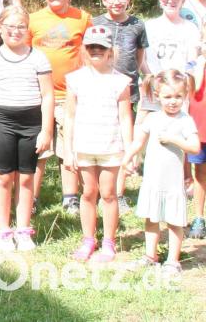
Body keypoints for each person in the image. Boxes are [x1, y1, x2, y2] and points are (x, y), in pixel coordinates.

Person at [0, 5, 53, 252]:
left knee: (26, 177)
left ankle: (23, 230)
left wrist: (46, 131)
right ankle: (3, 230)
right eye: (11, 26)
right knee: (2, 177)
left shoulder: (38, 57)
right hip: (1, 120)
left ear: (28, 29)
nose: (16, 31)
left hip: (31, 122)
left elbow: (48, 95)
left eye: (21, 26)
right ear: (0, 28)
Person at [63, 26, 133, 263]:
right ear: (85, 49)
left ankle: (109, 241)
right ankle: (88, 239)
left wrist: (129, 151)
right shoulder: (75, 79)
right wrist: (69, 150)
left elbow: (125, 118)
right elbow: (69, 117)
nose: (96, 50)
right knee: (88, 192)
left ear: (109, 51)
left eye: (101, 47)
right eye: (91, 46)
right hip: (83, 146)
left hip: (111, 147)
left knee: (109, 194)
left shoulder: (121, 81)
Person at [124, 70, 202, 276]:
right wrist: (127, 158)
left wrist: (174, 139)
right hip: (153, 180)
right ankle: (151, 256)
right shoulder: (152, 118)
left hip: (173, 183)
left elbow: (194, 147)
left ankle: (173, 261)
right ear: (157, 95)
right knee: (151, 219)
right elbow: (138, 142)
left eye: (178, 96)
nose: (173, 101)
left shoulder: (185, 120)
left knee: (174, 221)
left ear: (184, 95)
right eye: (167, 97)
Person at [28, 0, 91, 216]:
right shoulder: (33, 20)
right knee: (38, 150)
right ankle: (31, 197)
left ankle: (70, 198)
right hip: (38, 95)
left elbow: (87, 54)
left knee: (68, 149)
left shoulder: (82, 18)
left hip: (69, 96)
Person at [92, 0, 147, 212]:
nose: (116, 2)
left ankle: (119, 192)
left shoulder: (137, 25)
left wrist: (148, 79)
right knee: (99, 141)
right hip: (99, 93)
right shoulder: (94, 23)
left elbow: (139, 59)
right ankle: (96, 190)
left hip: (128, 93)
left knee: (123, 142)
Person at [141, 0, 199, 117]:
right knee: (146, 126)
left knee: (176, 128)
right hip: (154, 86)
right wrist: (150, 78)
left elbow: (192, 60)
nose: (170, 1)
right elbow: (141, 58)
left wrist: (186, 80)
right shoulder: (149, 26)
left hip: (177, 89)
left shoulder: (190, 28)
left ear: (183, 1)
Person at [188, 28, 206, 240]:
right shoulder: (193, 66)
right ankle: (199, 217)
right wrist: (200, 63)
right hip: (200, 129)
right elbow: (193, 89)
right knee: (200, 175)